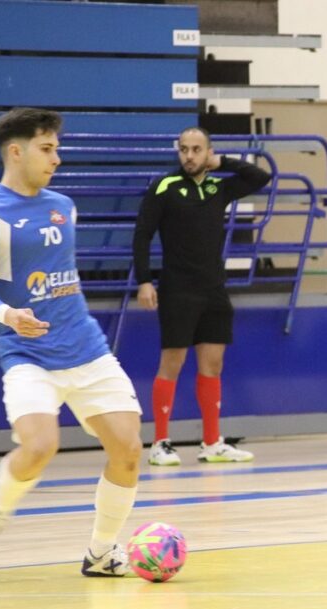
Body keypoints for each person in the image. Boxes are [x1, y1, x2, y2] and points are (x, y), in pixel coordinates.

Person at [0, 108, 143, 576]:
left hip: (86, 349)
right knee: (40, 446)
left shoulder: (63, 205)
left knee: (129, 450)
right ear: (16, 152)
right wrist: (8, 314)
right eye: (47, 148)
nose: (56, 158)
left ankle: (101, 552)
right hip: (27, 355)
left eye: (56, 147)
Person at [133, 127, 272, 466]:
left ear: (207, 152)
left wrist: (221, 161)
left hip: (213, 289)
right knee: (172, 364)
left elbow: (260, 176)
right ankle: (160, 442)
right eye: (184, 150)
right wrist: (145, 282)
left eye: (197, 150)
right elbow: (142, 235)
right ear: (177, 151)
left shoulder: (217, 187)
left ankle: (211, 442)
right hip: (178, 289)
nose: (190, 156)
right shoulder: (164, 187)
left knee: (213, 365)